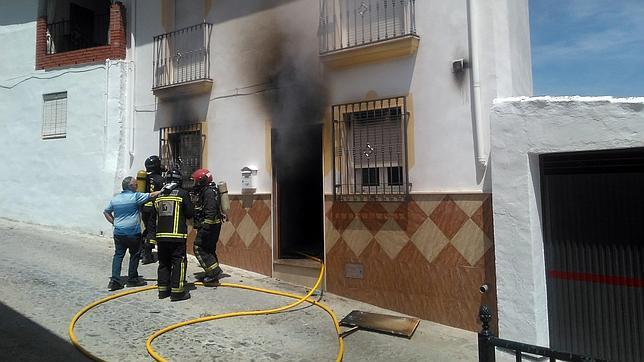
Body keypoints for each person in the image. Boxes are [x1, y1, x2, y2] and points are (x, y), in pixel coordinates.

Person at [103, 177, 161, 291]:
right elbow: (152, 195)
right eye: (135, 184)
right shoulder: (135, 197)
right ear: (130, 186)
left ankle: (115, 281)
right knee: (134, 254)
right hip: (133, 233)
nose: (137, 186)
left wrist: (114, 222)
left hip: (119, 232)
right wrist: (163, 190)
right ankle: (132, 279)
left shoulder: (115, 199)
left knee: (118, 255)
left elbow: (106, 211)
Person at [149, 169, 194, 301]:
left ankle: (163, 290)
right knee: (178, 262)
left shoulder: (159, 196)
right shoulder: (182, 194)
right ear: (179, 180)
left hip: (161, 236)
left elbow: (152, 218)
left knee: (163, 262)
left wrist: (152, 237)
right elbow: (190, 213)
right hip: (177, 235)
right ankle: (177, 292)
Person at [191, 168, 224, 283]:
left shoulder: (208, 192)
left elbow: (210, 210)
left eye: (195, 181)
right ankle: (212, 271)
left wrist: (205, 226)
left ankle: (214, 272)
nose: (194, 184)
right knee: (209, 249)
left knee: (198, 248)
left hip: (209, 226)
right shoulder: (211, 190)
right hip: (214, 225)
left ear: (201, 181)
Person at [141, 155, 165, 265]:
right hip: (154, 208)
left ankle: (141, 250)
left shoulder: (143, 178)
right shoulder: (160, 179)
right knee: (152, 231)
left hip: (144, 208)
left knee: (147, 228)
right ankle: (147, 255)